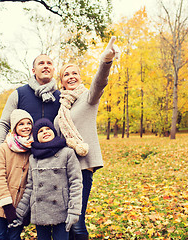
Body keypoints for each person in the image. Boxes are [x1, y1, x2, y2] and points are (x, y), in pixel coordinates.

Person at [54, 36, 120, 240]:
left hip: (82, 168)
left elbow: (100, 81)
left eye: (75, 73)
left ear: (80, 77)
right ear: (62, 81)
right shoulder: (61, 105)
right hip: (62, 168)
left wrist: (105, 60)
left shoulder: (89, 97)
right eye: (67, 74)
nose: (71, 76)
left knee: (76, 222)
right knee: (65, 220)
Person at [9, 118, 83, 240]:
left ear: (54, 131)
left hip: (62, 210)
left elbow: (76, 183)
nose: (45, 132)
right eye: (40, 131)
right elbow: (30, 187)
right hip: (40, 211)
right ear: (36, 137)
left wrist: (74, 211)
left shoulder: (67, 153)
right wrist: (20, 214)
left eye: (48, 129)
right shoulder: (33, 157)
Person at [0, 54, 60, 157]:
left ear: (53, 69)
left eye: (49, 63)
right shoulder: (19, 94)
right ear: (33, 71)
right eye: (41, 63)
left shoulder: (61, 97)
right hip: (24, 156)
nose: (46, 66)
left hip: (54, 156)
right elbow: (4, 123)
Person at [0, 109, 34, 240]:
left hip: (20, 206)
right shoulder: (4, 148)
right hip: (1, 202)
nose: (26, 127)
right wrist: (6, 205)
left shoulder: (33, 150)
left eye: (28, 123)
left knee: (14, 237)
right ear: (14, 127)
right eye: (21, 124)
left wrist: (26, 208)